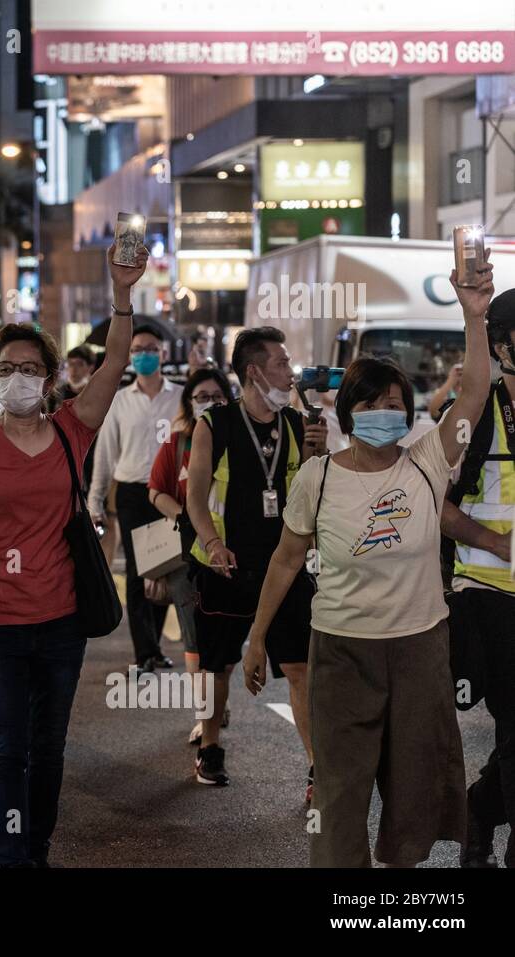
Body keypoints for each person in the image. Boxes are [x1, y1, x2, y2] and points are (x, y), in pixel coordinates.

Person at [0, 243, 148, 867]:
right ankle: (14, 855)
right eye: (6, 367)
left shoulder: (73, 429)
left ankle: (35, 847)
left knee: (49, 749)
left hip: (63, 623)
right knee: (8, 748)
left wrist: (122, 295)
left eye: (29, 366)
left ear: (47, 376)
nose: (18, 376)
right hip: (0, 623)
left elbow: (116, 361)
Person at [245, 262, 490, 866]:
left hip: (419, 650)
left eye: (396, 404)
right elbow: (284, 562)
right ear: (349, 410)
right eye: (374, 403)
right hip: (341, 651)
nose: (387, 412)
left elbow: (478, 390)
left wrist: (474, 314)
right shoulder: (317, 478)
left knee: (415, 792)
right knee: (338, 794)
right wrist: (255, 638)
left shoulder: (428, 461)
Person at [184, 327, 326, 792]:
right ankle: (210, 746)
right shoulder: (213, 424)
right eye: (282, 363)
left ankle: (315, 769)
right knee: (217, 664)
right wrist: (212, 544)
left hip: (283, 564)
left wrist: (316, 453)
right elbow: (196, 498)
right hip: (224, 565)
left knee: (300, 666)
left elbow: (305, 489)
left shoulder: (294, 422)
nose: (290, 372)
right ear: (254, 371)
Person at [441, 286, 515, 868]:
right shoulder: (475, 416)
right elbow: (431, 504)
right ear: (504, 346)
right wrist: (495, 542)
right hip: (489, 596)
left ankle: (481, 809)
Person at [86, 324, 183, 673]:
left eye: (151, 348)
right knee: (141, 572)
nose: (145, 354)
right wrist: (94, 501)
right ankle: (145, 652)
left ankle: (154, 645)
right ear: (130, 357)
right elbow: (106, 454)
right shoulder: (120, 400)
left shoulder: (179, 397)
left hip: (170, 494)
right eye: (138, 349)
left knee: (166, 569)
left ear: (164, 354)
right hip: (132, 494)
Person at [147, 368, 231, 746]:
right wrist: (183, 516)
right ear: (188, 403)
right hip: (188, 557)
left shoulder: (240, 442)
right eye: (201, 397)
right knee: (194, 639)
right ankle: (205, 716)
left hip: (236, 555)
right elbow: (155, 490)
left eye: (217, 396)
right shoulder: (177, 443)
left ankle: (217, 699)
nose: (209, 403)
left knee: (227, 642)